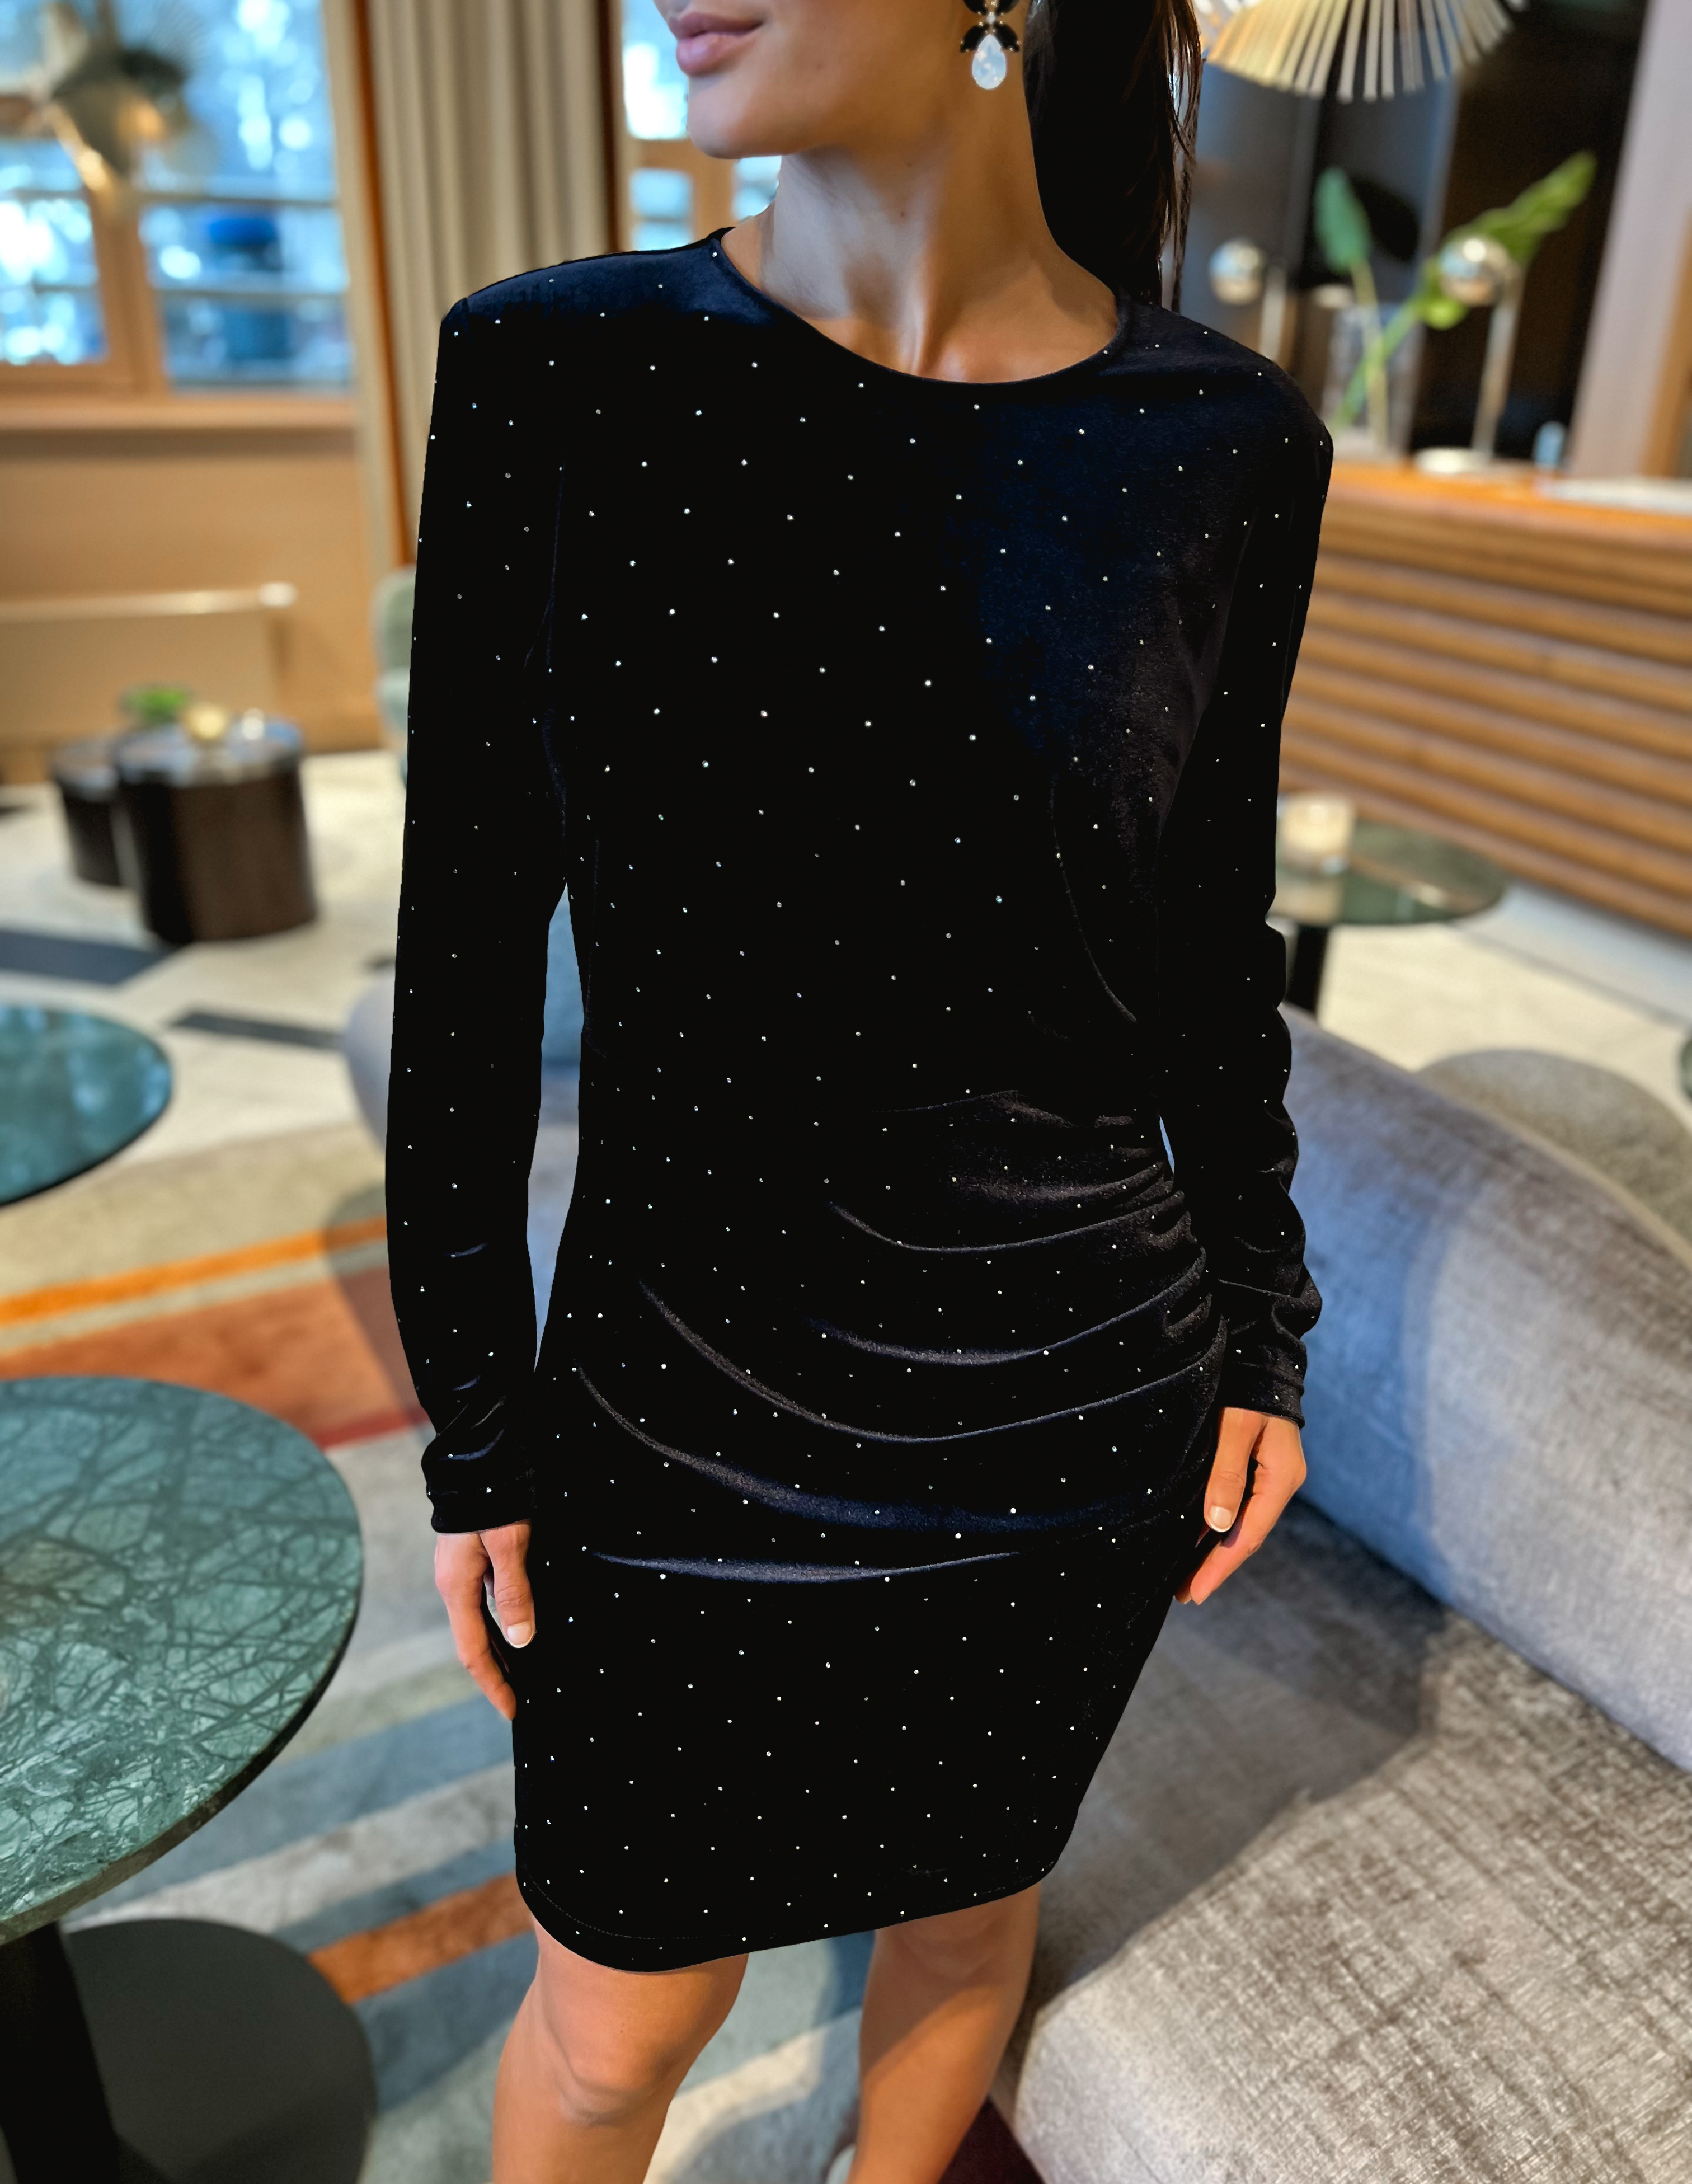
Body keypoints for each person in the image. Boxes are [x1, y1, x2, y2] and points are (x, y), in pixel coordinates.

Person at [388, 0, 1328, 2176]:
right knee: (611, 2033)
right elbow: (462, 965)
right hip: (676, 1420)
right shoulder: (559, 374)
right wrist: (474, 1413)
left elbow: (1211, 950)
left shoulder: (1226, 444)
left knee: (966, 1928)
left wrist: (1267, 1326)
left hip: (1073, 1421)